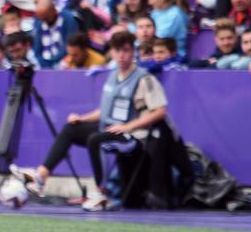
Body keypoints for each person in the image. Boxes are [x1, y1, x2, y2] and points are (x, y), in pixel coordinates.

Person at [11, 31, 183, 211]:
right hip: (110, 128)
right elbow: (104, 111)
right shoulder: (112, 76)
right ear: (113, 53)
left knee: (97, 139)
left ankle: (101, 193)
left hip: (133, 136)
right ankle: (41, 176)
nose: (122, 55)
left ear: (133, 52)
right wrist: (81, 118)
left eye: (126, 50)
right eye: (118, 51)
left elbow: (160, 111)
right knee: (71, 128)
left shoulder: (144, 78)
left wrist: (127, 126)